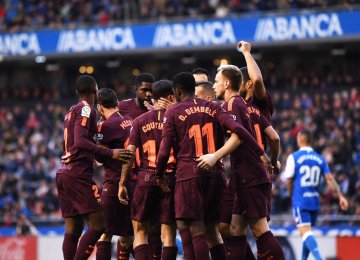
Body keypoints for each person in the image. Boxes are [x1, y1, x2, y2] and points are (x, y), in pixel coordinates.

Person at [156, 72, 270, 260]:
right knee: (213, 229)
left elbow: (164, 150)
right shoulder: (215, 108)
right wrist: (261, 153)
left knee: (196, 229)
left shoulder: (173, 112)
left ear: (176, 92)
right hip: (216, 175)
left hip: (189, 175)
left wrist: (159, 175)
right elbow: (239, 130)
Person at [56, 75, 132, 260]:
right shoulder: (86, 109)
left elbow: (74, 141)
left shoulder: (71, 110)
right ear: (96, 90)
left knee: (74, 229)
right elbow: (81, 141)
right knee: (100, 225)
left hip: (64, 172)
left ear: (77, 92)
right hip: (78, 173)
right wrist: (111, 153)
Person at [213, 65, 285, 260]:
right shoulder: (250, 108)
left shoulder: (234, 105)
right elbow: (274, 137)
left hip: (249, 173)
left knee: (259, 229)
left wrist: (215, 156)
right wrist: (272, 159)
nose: (214, 85)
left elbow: (239, 137)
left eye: (216, 81)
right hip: (247, 174)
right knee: (231, 227)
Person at [119, 80, 178, 260]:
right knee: (168, 235)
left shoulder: (139, 121)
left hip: (145, 179)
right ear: (171, 96)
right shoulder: (176, 117)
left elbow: (129, 153)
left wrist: (122, 182)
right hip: (170, 178)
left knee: (140, 233)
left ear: (153, 97)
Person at [284, 129, 348, 260]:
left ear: (300, 140)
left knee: (305, 233)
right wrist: (341, 196)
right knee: (306, 234)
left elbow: (289, 180)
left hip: (301, 200)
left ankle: (319, 258)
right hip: (314, 202)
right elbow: (330, 179)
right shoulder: (320, 159)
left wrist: (291, 195)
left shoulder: (294, 157)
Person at [94, 88, 134, 260]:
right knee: (127, 237)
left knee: (104, 233)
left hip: (115, 182)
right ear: (117, 103)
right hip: (134, 181)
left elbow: (98, 157)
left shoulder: (105, 125)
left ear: (100, 107)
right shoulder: (129, 120)